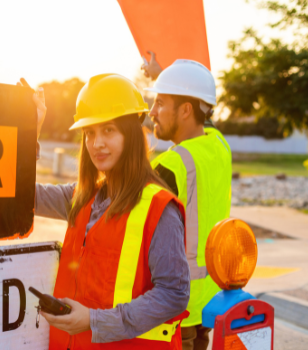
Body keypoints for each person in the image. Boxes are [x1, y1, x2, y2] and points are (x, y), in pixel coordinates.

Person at [26, 73, 191, 349]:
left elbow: (174, 294)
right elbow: (24, 196)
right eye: (90, 133)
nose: (96, 143)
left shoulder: (159, 208)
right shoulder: (83, 197)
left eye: (109, 130)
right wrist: (30, 133)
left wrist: (94, 320)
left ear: (132, 133)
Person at [143, 59, 232, 350]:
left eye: (160, 102)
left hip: (177, 313)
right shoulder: (219, 146)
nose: (152, 112)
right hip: (209, 302)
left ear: (185, 110)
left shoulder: (172, 165)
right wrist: (165, 79)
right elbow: (206, 118)